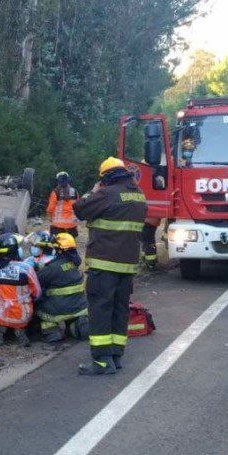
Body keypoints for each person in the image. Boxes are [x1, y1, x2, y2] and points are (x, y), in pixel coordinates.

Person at [73, 156, 147, 375]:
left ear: (106, 177)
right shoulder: (138, 195)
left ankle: (102, 361)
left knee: (100, 310)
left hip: (104, 265)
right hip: (127, 266)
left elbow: (79, 209)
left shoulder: (106, 194)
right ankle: (115, 356)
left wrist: (92, 191)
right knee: (119, 310)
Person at [0, 233, 42, 346]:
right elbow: (37, 294)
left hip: (0, 315)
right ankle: (20, 330)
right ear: (15, 250)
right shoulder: (26, 269)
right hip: (24, 316)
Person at [35, 232, 90, 343]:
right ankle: (76, 324)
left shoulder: (51, 268)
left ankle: (52, 332)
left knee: (38, 305)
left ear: (58, 250)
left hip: (57, 310)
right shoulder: (75, 264)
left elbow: (35, 284)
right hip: (79, 307)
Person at [47, 171, 79, 237]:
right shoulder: (75, 191)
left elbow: (50, 209)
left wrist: (51, 217)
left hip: (57, 227)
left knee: (56, 246)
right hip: (72, 227)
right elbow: (78, 206)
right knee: (70, 246)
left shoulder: (55, 192)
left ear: (58, 181)